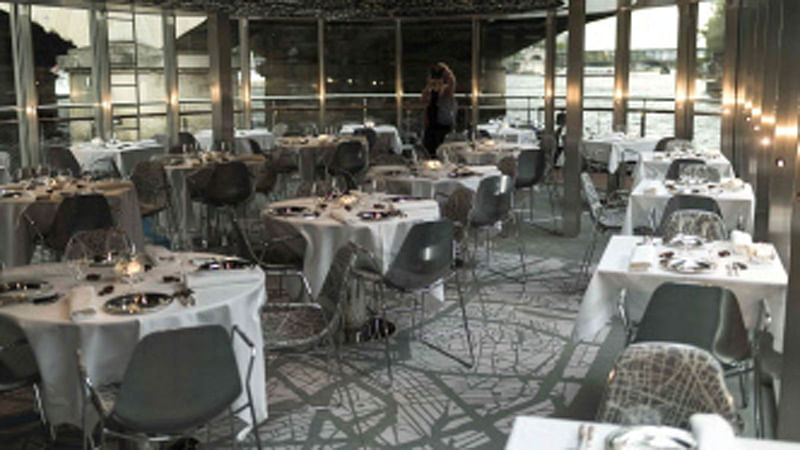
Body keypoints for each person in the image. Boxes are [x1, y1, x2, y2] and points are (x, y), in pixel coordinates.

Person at [422, 62, 457, 158]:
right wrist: (429, 85)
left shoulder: (446, 90)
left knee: (444, 150)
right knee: (430, 150)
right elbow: (424, 100)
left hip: (443, 124)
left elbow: (452, 82)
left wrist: (446, 70)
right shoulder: (429, 91)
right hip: (431, 124)